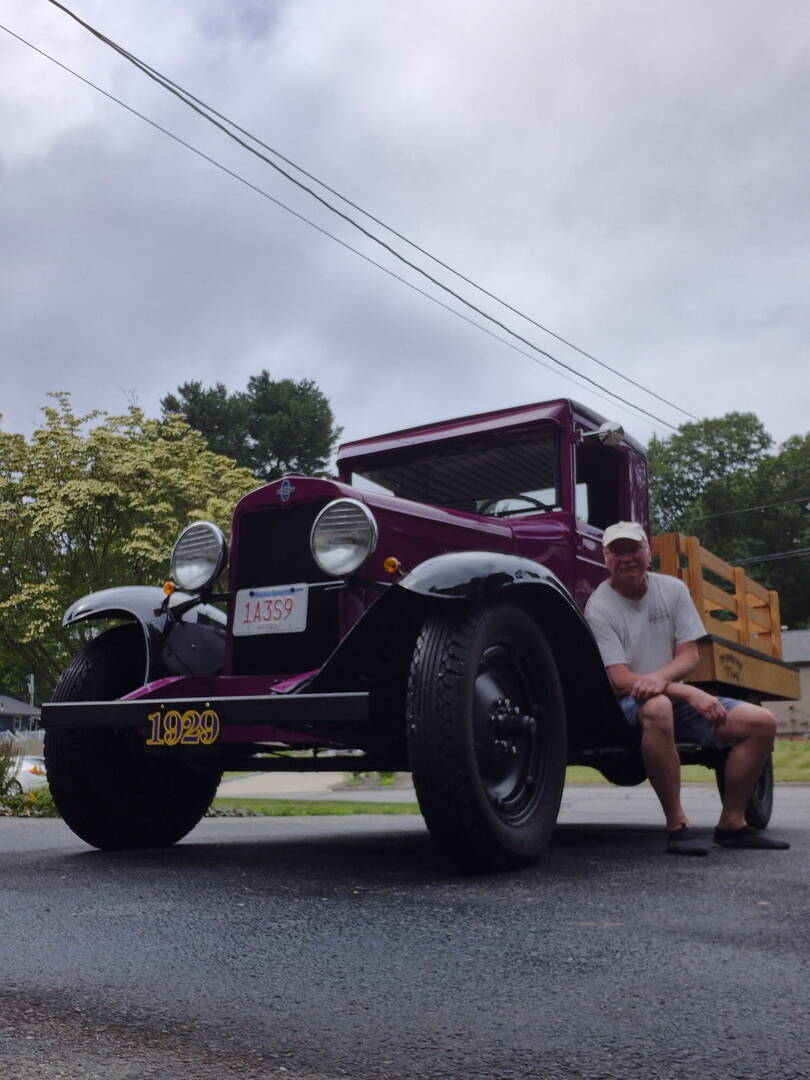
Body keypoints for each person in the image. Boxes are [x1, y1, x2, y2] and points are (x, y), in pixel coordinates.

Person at [584, 520, 790, 856]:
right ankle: (677, 825)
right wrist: (689, 692)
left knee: (762, 723)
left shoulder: (673, 590)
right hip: (628, 704)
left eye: (633, 548)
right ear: (605, 558)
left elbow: (689, 655)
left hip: (670, 697)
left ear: (648, 552)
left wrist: (662, 681)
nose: (626, 558)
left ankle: (733, 824)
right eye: (617, 551)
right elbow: (620, 680)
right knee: (658, 706)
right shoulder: (599, 606)